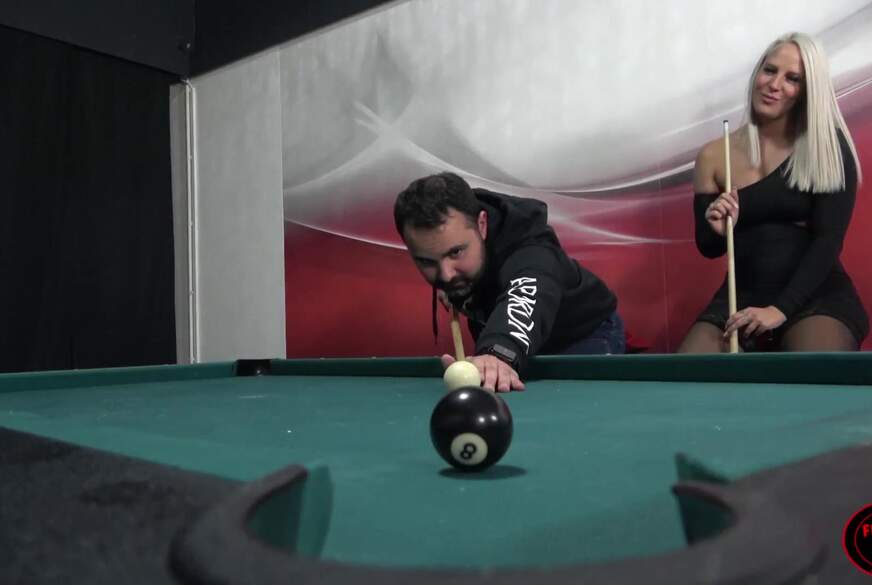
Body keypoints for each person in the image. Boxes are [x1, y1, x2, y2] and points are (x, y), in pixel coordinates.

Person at [678, 32, 867, 353]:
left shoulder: (827, 146)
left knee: (812, 374)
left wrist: (779, 310)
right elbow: (708, 246)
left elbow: (828, 240)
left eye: (792, 78)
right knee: (691, 375)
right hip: (740, 297)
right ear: (758, 73)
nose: (774, 84)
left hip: (814, 296)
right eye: (770, 70)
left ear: (808, 90)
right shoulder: (714, 155)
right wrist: (717, 227)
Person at [394, 172, 624, 392]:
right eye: (427, 261)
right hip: (518, 344)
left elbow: (527, 293)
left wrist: (498, 353)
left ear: (482, 225)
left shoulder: (532, 251)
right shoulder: (456, 257)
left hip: (581, 336)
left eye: (456, 252)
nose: (445, 275)